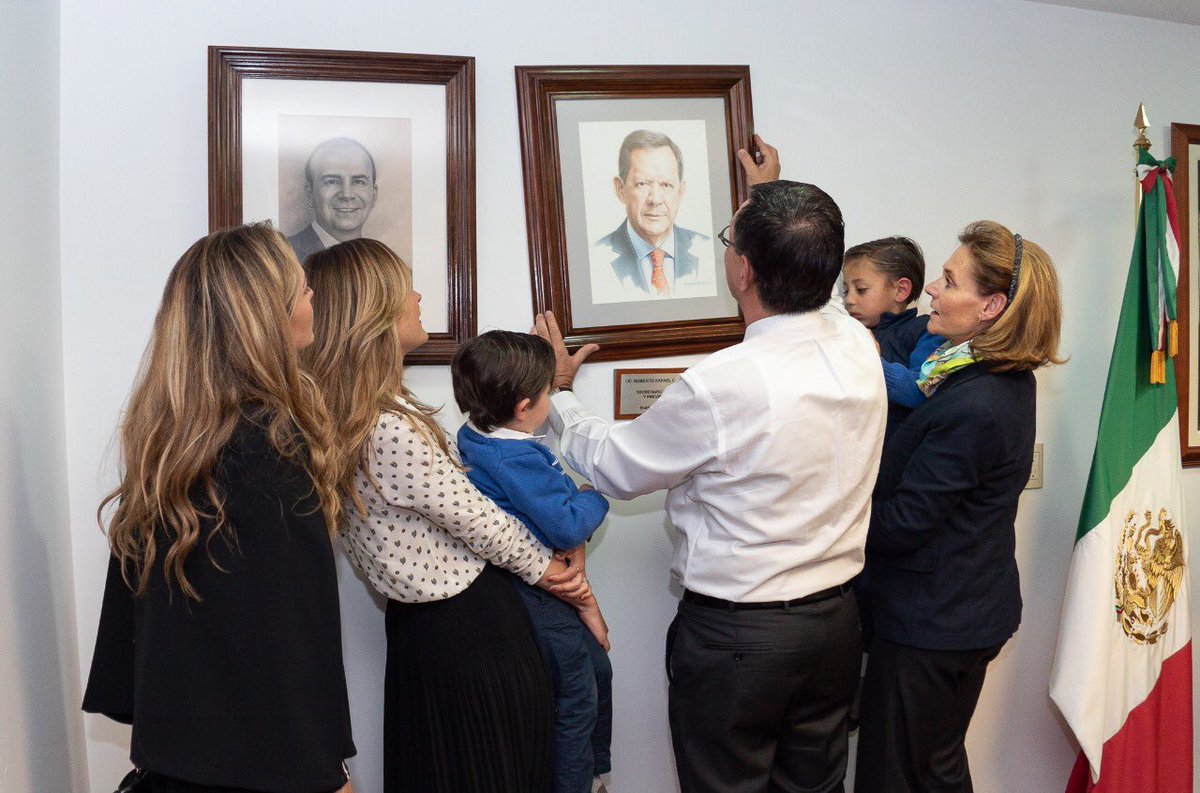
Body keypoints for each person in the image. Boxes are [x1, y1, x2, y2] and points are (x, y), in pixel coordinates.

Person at [534, 136, 888, 793]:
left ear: (742, 270)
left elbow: (616, 465)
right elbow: (810, 267)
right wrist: (772, 193)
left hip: (741, 641)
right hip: (835, 628)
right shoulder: (857, 342)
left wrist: (559, 398)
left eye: (733, 241)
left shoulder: (724, 380)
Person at [301, 239, 589, 793]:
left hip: (433, 636)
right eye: (404, 286)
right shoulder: (383, 424)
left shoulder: (355, 412)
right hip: (466, 636)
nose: (418, 295)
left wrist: (555, 386)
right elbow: (479, 519)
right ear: (374, 309)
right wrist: (552, 572)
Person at [82, 223, 355, 793]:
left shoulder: (170, 447)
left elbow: (134, 651)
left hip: (181, 767)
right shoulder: (272, 448)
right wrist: (329, 774)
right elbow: (291, 644)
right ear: (267, 317)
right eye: (303, 290)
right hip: (262, 774)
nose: (312, 300)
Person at [854, 221, 1064, 793]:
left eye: (948, 281)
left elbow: (902, 526)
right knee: (932, 767)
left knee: (900, 774)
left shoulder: (979, 400)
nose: (932, 292)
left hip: (934, 619)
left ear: (992, 305)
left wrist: (822, 507)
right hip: (957, 607)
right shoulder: (975, 373)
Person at [452, 330, 614, 793]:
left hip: (531, 591)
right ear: (525, 407)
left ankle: (591, 769)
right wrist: (593, 494)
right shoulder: (514, 459)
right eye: (548, 391)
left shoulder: (478, 435)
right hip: (538, 601)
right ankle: (578, 782)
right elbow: (566, 527)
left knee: (596, 671)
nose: (550, 397)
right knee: (576, 697)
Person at [843, 236, 945, 436]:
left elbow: (920, 390)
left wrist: (872, 362)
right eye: (846, 290)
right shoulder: (853, 330)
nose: (850, 300)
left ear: (901, 290)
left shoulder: (926, 331)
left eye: (861, 290)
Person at [593, 129, 710, 299]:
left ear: (681, 191)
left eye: (666, 185)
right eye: (642, 184)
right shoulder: (596, 259)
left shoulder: (709, 250)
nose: (655, 199)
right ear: (620, 189)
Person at [287, 137, 379, 263]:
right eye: (332, 181)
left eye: (358, 181)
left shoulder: (391, 267)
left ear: (374, 195)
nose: (347, 194)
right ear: (310, 193)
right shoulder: (282, 258)